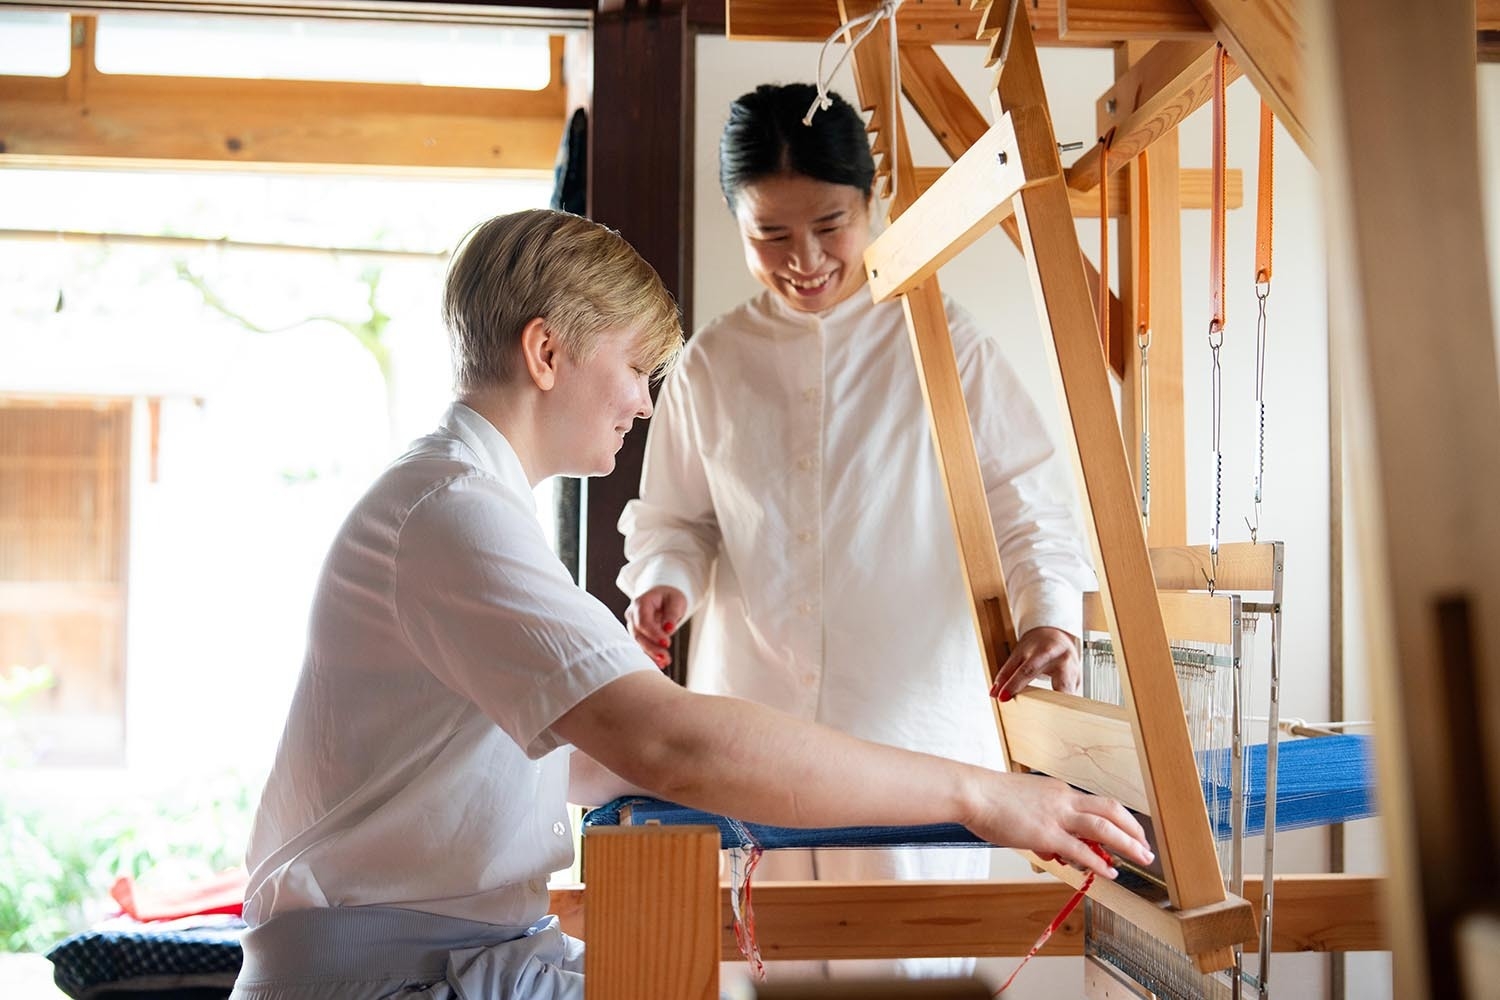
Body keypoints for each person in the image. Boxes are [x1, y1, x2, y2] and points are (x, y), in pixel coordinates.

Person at [230, 209, 1148, 1000]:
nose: (641, 397)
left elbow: (584, 758)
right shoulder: (454, 514)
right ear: (546, 353)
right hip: (394, 968)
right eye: (633, 367)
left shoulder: (464, 500)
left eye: (829, 223)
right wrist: (976, 790)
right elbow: (664, 736)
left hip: (879, 711)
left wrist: (1028, 658)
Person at [618, 84, 1099, 980]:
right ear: (738, 223)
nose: (803, 259)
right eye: (771, 235)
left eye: (830, 225)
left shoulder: (945, 343)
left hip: (910, 733)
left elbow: (1029, 503)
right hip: (751, 725)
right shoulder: (711, 364)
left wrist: (1052, 617)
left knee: (911, 969)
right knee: (763, 964)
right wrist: (665, 581)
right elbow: (675, 519)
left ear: (873, 204)